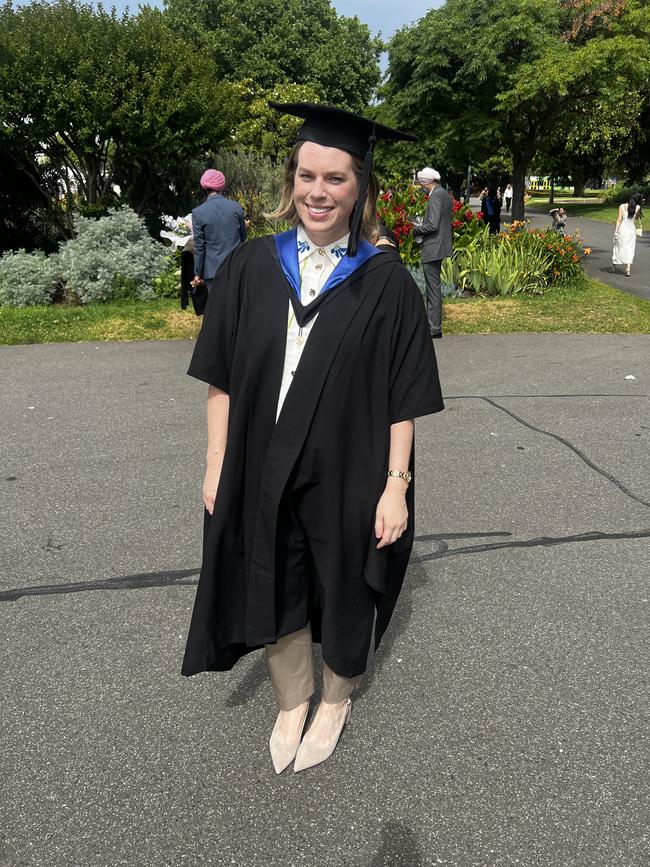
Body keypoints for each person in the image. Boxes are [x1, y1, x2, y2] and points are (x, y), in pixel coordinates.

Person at [181, 103, 444, 775]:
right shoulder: (248, 267)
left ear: (361, 189)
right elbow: (221, 379)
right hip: (261, 462)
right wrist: (216, 465)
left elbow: (403, 398)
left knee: (346, 583)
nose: (317, 192)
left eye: (334, 178)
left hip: (351, 469)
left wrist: (396, 486)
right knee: (269, 575)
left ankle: (335, 696)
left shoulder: (387, 284)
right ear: (290, 180)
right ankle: (292, 697)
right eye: (306, 175)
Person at [413, 167, 453, 339]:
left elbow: (433, 225)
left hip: (433, 247)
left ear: (425, 182)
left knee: (433, 290)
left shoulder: (436, 195)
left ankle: (434, 328)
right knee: (434, 288)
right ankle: (434, 326)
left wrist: (416, 229)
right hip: (439, 245)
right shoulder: (443, 193)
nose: (420, 186)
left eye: (420, 182)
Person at [191, 169, 247, 293]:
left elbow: (199, 246)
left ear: (204, 187)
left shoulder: (198, 212)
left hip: (212, 271)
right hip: (235, 267)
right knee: (236, 307)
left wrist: (198, 273)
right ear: (222, 185)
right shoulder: (236, 207)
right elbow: (243, 237)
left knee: (217, 308)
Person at [612, 193, 643, 277]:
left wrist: (616, 231)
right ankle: (628, 268)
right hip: (631, 230)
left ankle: (614, 266)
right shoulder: (638, 207)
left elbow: (619, 219)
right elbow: (636, 218)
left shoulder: (622, 206)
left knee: (618, 246)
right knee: (630, 248)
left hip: (623, 229)